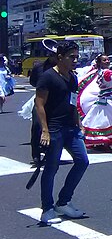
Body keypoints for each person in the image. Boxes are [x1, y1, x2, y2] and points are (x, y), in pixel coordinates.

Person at [34, 40, 89, 224]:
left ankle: (64, 201)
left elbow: (73, 102)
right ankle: (47, 209)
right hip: (54, 129)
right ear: (60, 57)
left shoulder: (72, 77)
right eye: (71, 57)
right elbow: (39, 104)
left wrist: (79, 123)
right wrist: (45, 130)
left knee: (82, 161)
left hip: (70, 128)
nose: (75, 60)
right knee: (51, 168)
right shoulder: (48, 77)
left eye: (76, 57)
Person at [76, 54, 112, 151]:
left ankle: (105, 143)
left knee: (103, 123)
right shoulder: (107, 72)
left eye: (107, 60)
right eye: (104, 60)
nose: (107, 61)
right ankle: (106, 144)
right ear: (99, 63)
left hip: (107, 100)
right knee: (110, 122)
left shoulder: (99, 72)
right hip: (110, 101)